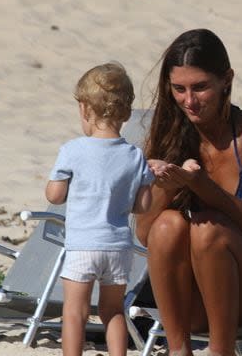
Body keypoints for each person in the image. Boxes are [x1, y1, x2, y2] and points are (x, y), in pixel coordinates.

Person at [135, 28, 242, 356]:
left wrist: (198, 184)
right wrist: (169, 185)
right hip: (201, 301)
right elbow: (143, 234)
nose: (189, 101)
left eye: (200, 87)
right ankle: (177, 349)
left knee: (208, 229)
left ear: (226, 80)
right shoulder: (172, 134)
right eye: (178, 89)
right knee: (167, 225)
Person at [46, 62, 155, 356]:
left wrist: (59, 183)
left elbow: (55, 197)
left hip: (82, 245)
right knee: (113, 311)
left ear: (84, 109)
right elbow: (144, 206)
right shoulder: (135, 155)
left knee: (75, 312)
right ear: (127, 113)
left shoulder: (73, 150)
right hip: (117, 247)